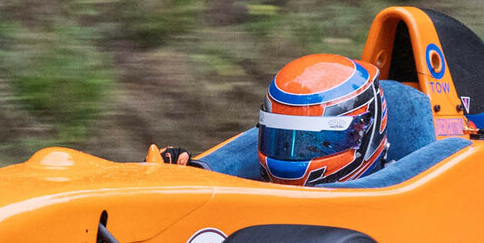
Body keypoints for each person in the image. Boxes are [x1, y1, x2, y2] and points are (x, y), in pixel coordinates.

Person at [151, 53, 389, 186]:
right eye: (282, 139)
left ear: (363, 132)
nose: (291, 154)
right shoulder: (259, 196)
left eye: (315, 143)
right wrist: (188, 175)